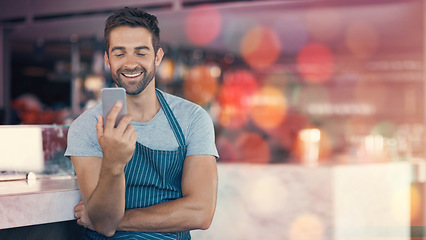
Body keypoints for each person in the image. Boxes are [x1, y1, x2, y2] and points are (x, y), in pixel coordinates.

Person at [64, 7, 218, 239]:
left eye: (141, 52)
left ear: (157, 56)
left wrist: (116, 220)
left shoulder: (192, 119)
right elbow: (105, 224)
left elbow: (200, 213)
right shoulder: (85, 127)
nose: (130, 63)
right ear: (107, 59)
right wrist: (114, 164)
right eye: (119, 53)